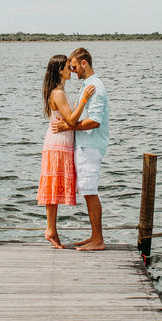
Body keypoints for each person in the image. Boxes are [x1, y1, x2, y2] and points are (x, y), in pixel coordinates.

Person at [37, 54, 96, 249]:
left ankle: (51, 230)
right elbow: (71, 120)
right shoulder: (58, 93)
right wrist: (84, 100)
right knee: (52, 188)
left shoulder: (58, 91)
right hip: (58, 143)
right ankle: (50, 229)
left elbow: (68, 122)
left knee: (53, 189)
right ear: (60, 70)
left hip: (60, 142)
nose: (71, 70)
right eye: (67, 67)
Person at [53, 46, 109, 251]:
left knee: (90, 191)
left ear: (84, 63)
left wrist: (68, 126)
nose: (72, 70)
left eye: (74, 66)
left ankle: (98, 240)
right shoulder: (87, 85)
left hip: (90, 145)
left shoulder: (95, 86)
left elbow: (95, 121)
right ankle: (94, 236)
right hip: (84, 145)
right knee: (87, 190)